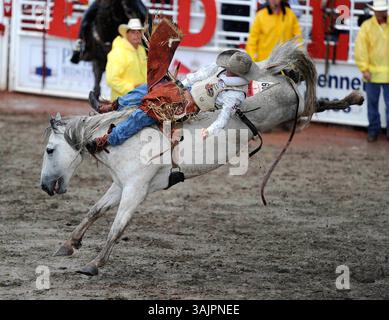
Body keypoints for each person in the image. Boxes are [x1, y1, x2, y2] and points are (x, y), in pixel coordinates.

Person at [86, 50, 261, 153]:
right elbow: (198, 75)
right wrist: (180, 85)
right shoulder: (219, 68)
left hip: (187, 108)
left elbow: (223, 118)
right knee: (150, 86)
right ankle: (111, 107)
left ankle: (107, 140)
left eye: (231, 69)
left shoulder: (235, 95)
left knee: (145, 114)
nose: (227, 70)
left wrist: (209, 130)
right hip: (183, 90)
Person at [354, 0, 389, 142]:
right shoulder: (367, 26)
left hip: (382, 73)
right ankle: (373, 130)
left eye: (383, 10)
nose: (382, 13)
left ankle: (377, 131)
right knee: (372, 105)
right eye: (380, 10)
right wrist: (364, 69)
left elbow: (360, 49)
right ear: (374, 11)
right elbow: (361, 49)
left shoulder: (367, 26)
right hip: (372, 73)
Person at [105, 18, 147, 101]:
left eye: (139, 31)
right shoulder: (118, 52)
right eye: (133, 32)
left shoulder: (141, 50)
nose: (137, 34)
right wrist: (133, 89)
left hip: (140, 99)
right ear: (126, 34)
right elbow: (111, 79)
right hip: (122, 101)